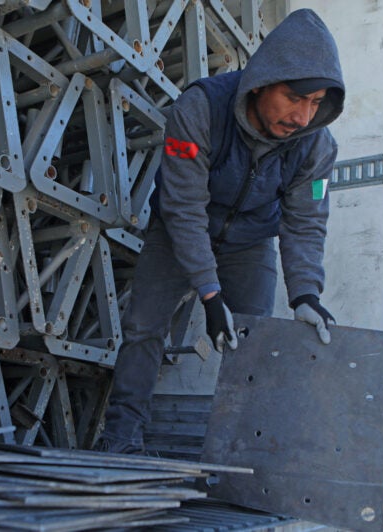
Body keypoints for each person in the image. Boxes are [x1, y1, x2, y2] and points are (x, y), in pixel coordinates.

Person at [96, 9, 345, 454]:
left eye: (315, 103)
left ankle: (238, 454)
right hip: (179, 229)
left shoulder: (317, 147)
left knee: (254, 344)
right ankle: (121, 439)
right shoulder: (199, 108)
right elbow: (183, 205)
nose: (304, 116)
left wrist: (306, 293)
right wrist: (210, 294)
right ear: (263, 81)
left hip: (250, 241)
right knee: (143, 328)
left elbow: (305, 222)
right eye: (294, 98)